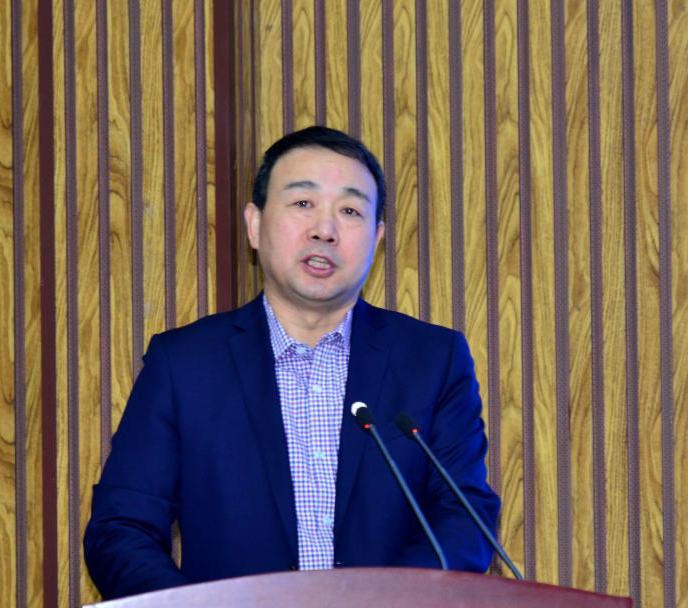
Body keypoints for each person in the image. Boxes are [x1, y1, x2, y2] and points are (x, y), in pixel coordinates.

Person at [84, 126, 500, 600]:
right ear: (255, 225)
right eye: (303, 203)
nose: (325, 229)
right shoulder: (185, 365)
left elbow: (463, 517)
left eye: (350, 211)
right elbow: (121, 530)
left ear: (377, 238)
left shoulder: (432, 360)